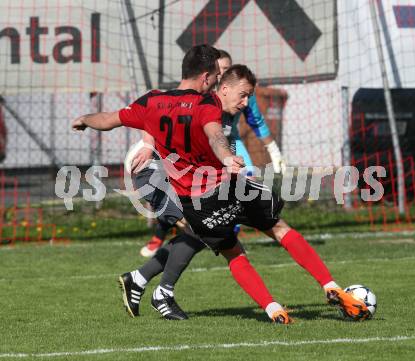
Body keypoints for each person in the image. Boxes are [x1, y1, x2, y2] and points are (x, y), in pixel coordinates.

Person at [72, 45, 370, 324]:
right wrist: (228, 157)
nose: (216, 82)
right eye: (216, 76)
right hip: (226, 186)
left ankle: (272, 308)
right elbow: (215, 135)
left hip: (195, 201)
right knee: (279, 228)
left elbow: (110, 118)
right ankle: (329, 285)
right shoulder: (205, 104)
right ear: (206, 77)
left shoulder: (151, 101)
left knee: (233, 252)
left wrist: (84, 119)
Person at [136, 49, 286, 257]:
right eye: (219, 69)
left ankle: (227, 237)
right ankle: (161, 236)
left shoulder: (240, 93)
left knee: (246, 180)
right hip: (199, 148)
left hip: (229, 144)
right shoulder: (200, 93)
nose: (221, 73)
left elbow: (256, 120)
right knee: (183, 191)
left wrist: (273, 150)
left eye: (225, 69)